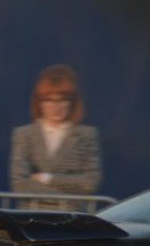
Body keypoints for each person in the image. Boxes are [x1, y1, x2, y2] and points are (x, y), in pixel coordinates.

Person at [9, 64, 101, 208]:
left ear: (72, 102)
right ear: (39, 103)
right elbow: (20, 184)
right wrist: (68, 200)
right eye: (49, 100)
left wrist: (48, 179)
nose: (56, 106)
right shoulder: (24, 135)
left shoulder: (86, 135)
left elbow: (90, 182)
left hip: (72, 218)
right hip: (33, 215)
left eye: (63, 99)